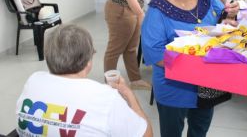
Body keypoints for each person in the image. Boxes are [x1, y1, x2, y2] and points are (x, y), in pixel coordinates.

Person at [141, 0, 239, 137]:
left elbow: (219, 14)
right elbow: (154, 54)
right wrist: (192, 58)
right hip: (174, 89)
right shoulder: (157, 10)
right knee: (172, 133)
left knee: (200, 130)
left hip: (208, 82)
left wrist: (227, 20)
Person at [16, 24, 153, 137]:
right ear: (88, 62)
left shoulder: (34, 81)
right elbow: (146, 134)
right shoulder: (104, 97)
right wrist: (128, 93)